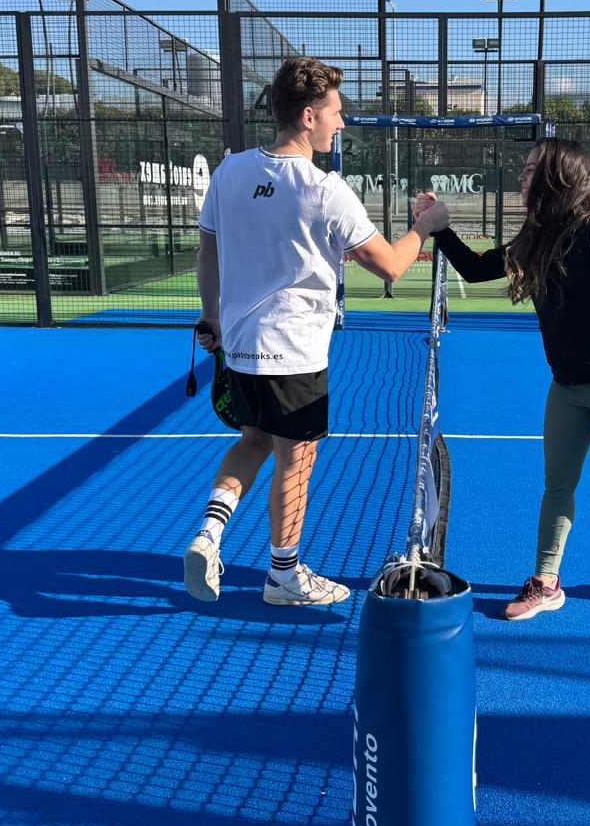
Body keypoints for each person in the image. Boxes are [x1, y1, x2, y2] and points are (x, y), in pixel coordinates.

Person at [184, 57, 449, 607]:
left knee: (253, 439)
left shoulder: (229, 171)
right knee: (293, 461)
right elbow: (390, 266)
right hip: (296, 355)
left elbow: (208, 250)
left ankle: (208, 535)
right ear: (308, 116)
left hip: (239, 349)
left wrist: (210, 315)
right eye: (336, 112)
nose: (342, 123)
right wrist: (423, 227)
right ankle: (283, 575)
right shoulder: (326, 191)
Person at [413, 137, 590, 618]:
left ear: (555, 178)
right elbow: (477, 267)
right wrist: (440, 230)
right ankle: (546, 582)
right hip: (566, 384)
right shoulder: (535, 238)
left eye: (529, 171)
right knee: (557, 485)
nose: (522, 178)